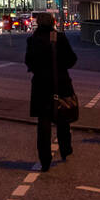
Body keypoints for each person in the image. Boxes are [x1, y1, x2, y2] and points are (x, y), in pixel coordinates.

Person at [24, 12, 77, 172]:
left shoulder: (32, 39)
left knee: (43, 122)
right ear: (53, 22)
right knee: (63, 118)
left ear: (38, 23)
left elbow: (29, 61)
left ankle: (45, 159)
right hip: (60, 82)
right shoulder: (59, 38)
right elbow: (71, 59)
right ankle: (65, 149)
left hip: (41, 84)